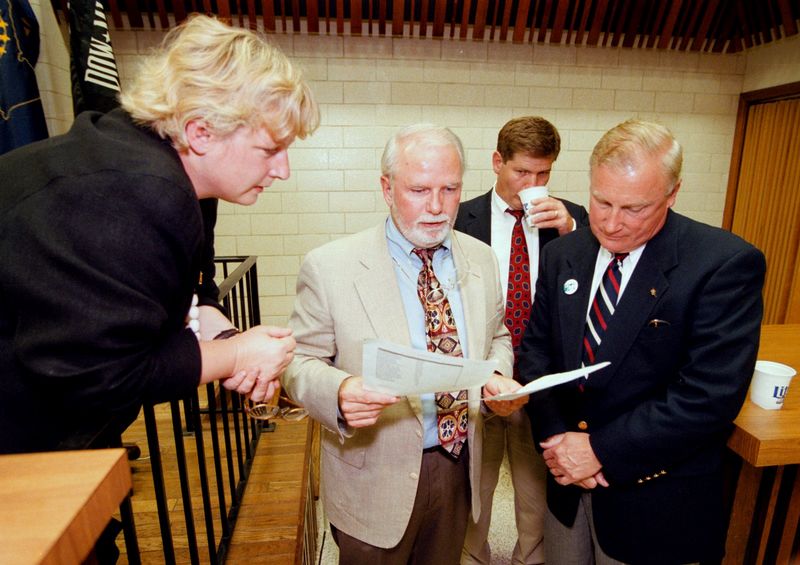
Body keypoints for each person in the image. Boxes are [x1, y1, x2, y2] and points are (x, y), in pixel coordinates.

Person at [0, 15, 319, 455]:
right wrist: (237, 357)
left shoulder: (184, 180)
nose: (282, 170)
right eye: (269, 150)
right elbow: (102, 373)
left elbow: (196, 290)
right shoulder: (140, 189)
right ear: (200, 132)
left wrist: (227, 339)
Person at [518, 119, 766, 564]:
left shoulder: (723, 264)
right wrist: (556, 436)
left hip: (656, 504)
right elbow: (537, 351)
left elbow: (707, 397)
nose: (612, 224)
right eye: (602, 201)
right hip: (565, 489)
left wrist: (597, 450)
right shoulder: (563, 253)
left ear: (672, 194)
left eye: (634, 208)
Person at [282, 124, 526, 564]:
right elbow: (299, 362)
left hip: (457, 466)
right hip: (374, 474)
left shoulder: (482, 259)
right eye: (418, 190)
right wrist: (337, 392)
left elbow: (498, 336)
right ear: (387, 188)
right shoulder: (330, 267)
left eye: (450, 189)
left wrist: (495, 375)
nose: (436, 207)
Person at [455, 115, 588, 565]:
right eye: (522, 172)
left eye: (544, 174)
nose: (533, 183)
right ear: (497, 162)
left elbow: (601, 282)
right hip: (480, 373)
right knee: (474, 487)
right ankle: (474, 558)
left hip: (542, 378)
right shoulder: (460, 217)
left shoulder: (573, 221)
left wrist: (573, 231)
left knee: (536, 494)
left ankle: (528, 560)